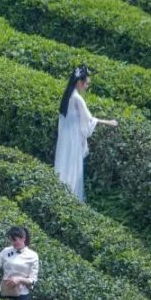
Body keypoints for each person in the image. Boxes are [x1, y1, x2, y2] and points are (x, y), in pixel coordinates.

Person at [54, 65, 117, 201]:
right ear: (79, 82)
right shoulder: (77, 99)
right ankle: (71, 196)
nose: (87, 86)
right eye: (86, 83)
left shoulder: (68, 95)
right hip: (73, 137)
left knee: (64, 162)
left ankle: (61, 193)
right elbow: (89, 119)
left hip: (65, 136)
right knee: (72, 165)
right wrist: (108, 122)